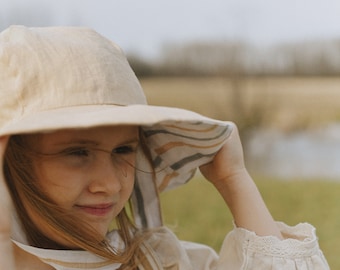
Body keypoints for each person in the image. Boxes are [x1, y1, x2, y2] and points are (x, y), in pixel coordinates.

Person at [0, 25, 329, 270]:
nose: (110, 184)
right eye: (77, 153)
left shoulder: (156, 260)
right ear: (9, 158)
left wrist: (233, 178)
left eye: (123, 150)